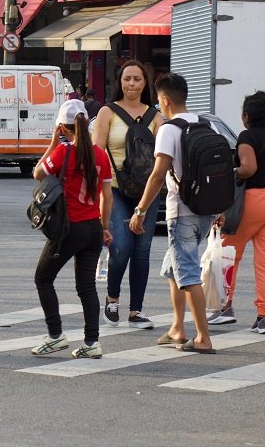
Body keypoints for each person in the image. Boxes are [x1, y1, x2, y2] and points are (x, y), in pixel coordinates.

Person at [128, 72, 216, 354]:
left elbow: (156, 175)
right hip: (205, 210)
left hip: (181, 212)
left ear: (164, 99)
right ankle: (177, 328)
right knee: (172, 268)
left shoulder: (168, 129)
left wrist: (140, 210)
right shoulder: (204, 124)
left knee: (188, 273)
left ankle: (203, 337)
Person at [31, 99, 114, 359]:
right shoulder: (101, 154)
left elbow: (37, 174)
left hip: (68, 229)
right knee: (87, 287)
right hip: (92, 229)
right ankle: (92, 342)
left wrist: (54, 143)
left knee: (43, 279)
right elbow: (107, 197)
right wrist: (104, 227)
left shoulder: (62, 152)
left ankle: (55, 336)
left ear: (63, 128)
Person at [213, 91, 265, 334]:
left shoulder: (246, 136)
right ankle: (263, 316)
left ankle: (225, 307)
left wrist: (233, 172)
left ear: (246, 115)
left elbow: (249, 168)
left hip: (252, 201)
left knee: (228, 254)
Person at [93, 59, 163, 331]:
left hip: (148, 191)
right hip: (116, 189)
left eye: (137, 79)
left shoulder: (156, 117)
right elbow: (97, 152)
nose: (131, 83)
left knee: (142, 251)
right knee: (121, 246)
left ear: (145, 83)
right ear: (119, 82)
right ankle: (112, 298)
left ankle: (137, 311)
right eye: (127, 78)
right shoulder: (106, 113)